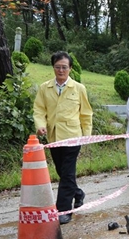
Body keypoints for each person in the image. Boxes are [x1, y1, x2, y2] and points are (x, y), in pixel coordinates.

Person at [33, 51, 93, 224]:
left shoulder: (79, 88)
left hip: (73, 136)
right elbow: (39, 109)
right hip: (54, 136)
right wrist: (40, 125)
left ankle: (64, 210)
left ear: (70, 68)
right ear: (53, 68)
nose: (61, 71)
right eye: (58, 67)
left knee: (67, 173)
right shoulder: (45, 88)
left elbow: (86, 114)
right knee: (62, 172)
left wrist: (87, 136)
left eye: (64, 67)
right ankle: (78, 193)